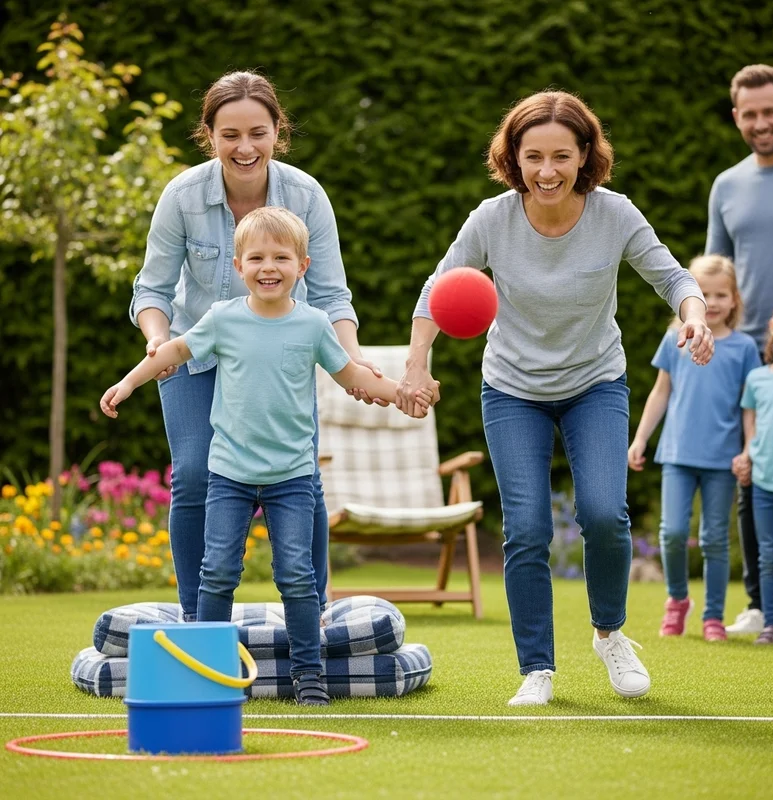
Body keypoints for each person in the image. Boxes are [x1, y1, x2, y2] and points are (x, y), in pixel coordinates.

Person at [396, 91, 713, 706]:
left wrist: (693, 317)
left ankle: (610, 633)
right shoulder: (492, 219)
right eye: (533, 155)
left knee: (602, 512)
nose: (547, 170)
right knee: (527, 529)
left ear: (585, 155)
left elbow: (673, 277)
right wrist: (415, 365)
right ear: (513, 157)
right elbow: (437, 291)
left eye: (561, 156)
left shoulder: (614, 215)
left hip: (595, 382)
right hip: (512, 388)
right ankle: (536, 668)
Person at [104, 207, 426, 704]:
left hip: (292, 477)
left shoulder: (315, 324)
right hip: (229, 475)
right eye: (256, 257)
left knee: (298, 575)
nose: (268, 266)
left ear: (303, 265)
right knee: (217, 571)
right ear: (238, 267)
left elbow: (354, 377)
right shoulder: (222, 319)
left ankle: (309, 676)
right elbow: (170, 354)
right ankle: (207, 673)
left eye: (281, 257)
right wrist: (127, 384)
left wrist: (402, 392)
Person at [129, 71, 384, 623]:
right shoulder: (183, 196)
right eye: (230, 135)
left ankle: (312, 610)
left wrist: (354, 360)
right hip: (195, 355)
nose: (244, 147)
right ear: (210, 135)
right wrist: (157, 341)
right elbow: (151, 289)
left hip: (279, 359)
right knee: (195, 474)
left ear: (277, 131)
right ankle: (199, 616)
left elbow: (331, 292)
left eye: (257, 133)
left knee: (301, 477)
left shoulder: (306, 195)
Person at [705, 64, 773, 636]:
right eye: (749, 113)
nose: (760, 122)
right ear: (736, 116)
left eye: (770, 111)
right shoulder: (727, 185)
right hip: (753, 357)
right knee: (752, 478)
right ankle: (761, 604)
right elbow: (717, 274)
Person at [628, 256, 760, 642]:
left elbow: (750, 408)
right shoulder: (676, 340)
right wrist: (640, 438)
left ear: (735, 300)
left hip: (722, 459)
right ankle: (677, 601)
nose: (713, 302)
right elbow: (660, 392)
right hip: (677, 455)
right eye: (704, 294)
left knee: (715, 539)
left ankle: (713, 616)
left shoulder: (744, 348)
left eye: (722, 294)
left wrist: (748, 449)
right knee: (670, 534)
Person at [732, 291, 773, 646]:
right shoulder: (757, 379)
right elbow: (751, 424)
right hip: (764, 486)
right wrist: (746, 456)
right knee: (770, 557)